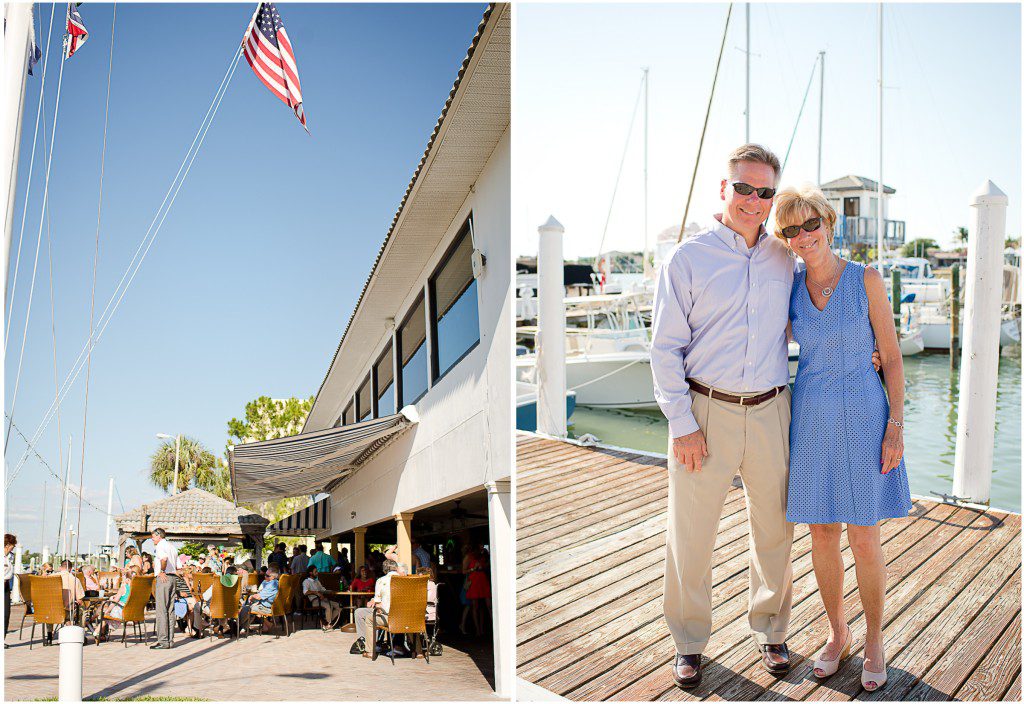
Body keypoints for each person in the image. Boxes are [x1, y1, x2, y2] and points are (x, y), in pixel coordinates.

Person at [773, 185, 912, 692]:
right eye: (791, 230)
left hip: (865, 416)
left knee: (865, 535)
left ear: (829, 224)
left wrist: (895, 424)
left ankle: (875, 640)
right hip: (809, 419)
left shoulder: (866, 279)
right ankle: (838, 633)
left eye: (811, 225)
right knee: (823, 535)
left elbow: (893, 358)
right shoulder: (788, 286)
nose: (804, 236)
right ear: (785, 239)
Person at [351, 558, 403, 657]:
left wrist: (373, 601)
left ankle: (368, 647)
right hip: (409, 617)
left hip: (390, 617)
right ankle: (418, 652)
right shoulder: (406, 580)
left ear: (384, 570)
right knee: (363, 611)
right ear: (396, 568)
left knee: (361, 613)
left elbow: (378, 601)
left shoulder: (381, 580)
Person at [150, 527, 178, 650]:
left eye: (153, 536)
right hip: (173, 578)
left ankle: (163, 641)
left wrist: (161, 571)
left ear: (159, 536)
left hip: (164, 578)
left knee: (161, 610)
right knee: (170, 610)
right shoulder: (172, 546)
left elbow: (164, 559)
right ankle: (170, 640)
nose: (152, 539)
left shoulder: (160, 546)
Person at [97, 566, 138, 642]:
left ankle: (97, 633)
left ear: (128, 579)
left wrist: (108, 610)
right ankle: (100, 633)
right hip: (133, 613)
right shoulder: (137, 588)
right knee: (106, 614)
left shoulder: (123, 588)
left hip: (121, 613)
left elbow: (115, 601)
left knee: (105, 615)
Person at [239, 565, 280, 634]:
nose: (265, 576)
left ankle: (238, 625)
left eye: (267, 575)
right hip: (271, 605)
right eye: (265, 574)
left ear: (273, 577)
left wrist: (251, 597)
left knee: (247, 608)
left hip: (268, 607)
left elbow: (259, 597)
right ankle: (265, 626)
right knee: (249, 605)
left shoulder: (272, 584)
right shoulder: (274, 582)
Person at [461, 545, 490, 637]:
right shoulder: (469, 556)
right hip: (474, 580)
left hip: (483, 580)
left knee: (483, 606)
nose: (482, 547)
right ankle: (478, 630)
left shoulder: (483, 555)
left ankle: (482, 629)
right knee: (475, 606)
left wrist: (485, 565)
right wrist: (473, 569)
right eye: (480, 545)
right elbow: (463, 571)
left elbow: (485, 567)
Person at [302, 566, 342, 630]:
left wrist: (331, 591)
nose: (317, 573)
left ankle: (327, 622)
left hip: (322, 600)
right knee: (328, 606)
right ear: (310, 573)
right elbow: (305, 592)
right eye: (315, 572)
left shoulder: (317, 581)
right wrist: (316, 593)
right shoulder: (306, 581)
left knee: (339, 606)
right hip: (314, 601)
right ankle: (328, 624)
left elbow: (323, 590)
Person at [4, 534, 16, 649]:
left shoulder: (10, 556)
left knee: (6, 614)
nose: (14, 547)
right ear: (8, 545)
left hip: (6, 586)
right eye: (13, 545)